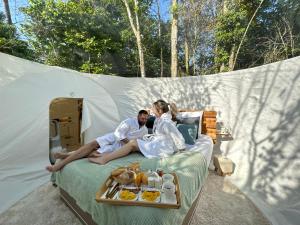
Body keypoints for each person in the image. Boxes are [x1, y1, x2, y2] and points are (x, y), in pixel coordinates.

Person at [46, 110, 149, 172]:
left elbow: (140, 142)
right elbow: (118, 134)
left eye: (145, 119)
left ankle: (66, 155)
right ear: (138, 117)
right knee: (91, 145)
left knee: (92, 153)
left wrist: (131, 146)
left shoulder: (144, 130)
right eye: (142, 118)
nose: (143, 120)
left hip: (119, 147)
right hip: (113, 137)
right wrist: (130, 144)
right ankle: (59, 165)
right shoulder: (129, 122)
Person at [91, 99, 186, 165]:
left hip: (163, 148)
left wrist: (181, 150)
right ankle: (106, 155)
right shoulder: (159, 119)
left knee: (133, 143)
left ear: (160, 110)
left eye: (153, 109)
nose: (151, 110)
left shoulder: (166, 122)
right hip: (157, 143)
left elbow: (177, 136)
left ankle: (104, 159)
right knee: (134, 144)